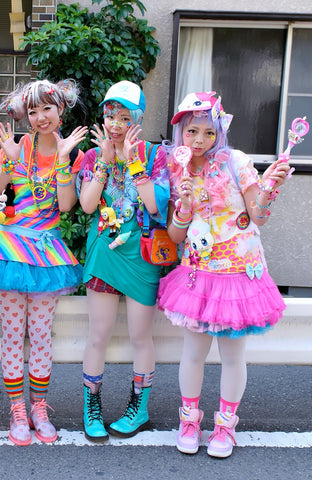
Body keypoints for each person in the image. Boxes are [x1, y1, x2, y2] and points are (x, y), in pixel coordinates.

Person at [157, 91, 290, 458]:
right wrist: (183, 205)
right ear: (181, 132)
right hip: (198, 274)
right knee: (193, 353)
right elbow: (174, 235)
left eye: (208, 133)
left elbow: (258, 215)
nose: (199, 141)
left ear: (219, 132)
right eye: (192, 132)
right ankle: (189, 421)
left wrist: (270, 187)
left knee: (233, 356)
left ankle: (225, 427)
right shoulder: (177, 167)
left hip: (239, 274)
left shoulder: (237, 161)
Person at [0, 79, 88, 446]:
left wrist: (66, 159)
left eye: (46, 109)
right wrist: (9, 163)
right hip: (9, 250)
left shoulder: (73, 153)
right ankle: (17, 409)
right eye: (32, 111)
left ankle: (39, 407)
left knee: (39, 335)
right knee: (12, 333)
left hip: (46, 253)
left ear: (60, 110)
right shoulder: (19, 145)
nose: (39, 117)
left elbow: (67, 206)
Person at [78, 81, 170, 442]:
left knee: (140, 336)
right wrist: (103, 159)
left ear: (139, 119)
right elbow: (87, 205)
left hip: (142, 254)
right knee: (97, 334)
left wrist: (131, 160)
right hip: (104, 251)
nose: (115, 123)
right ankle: (92, 406)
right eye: (110, 114)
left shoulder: (153, 155)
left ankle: (139, 407)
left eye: (124, 116)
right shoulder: (92, 156)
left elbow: (153, 206)